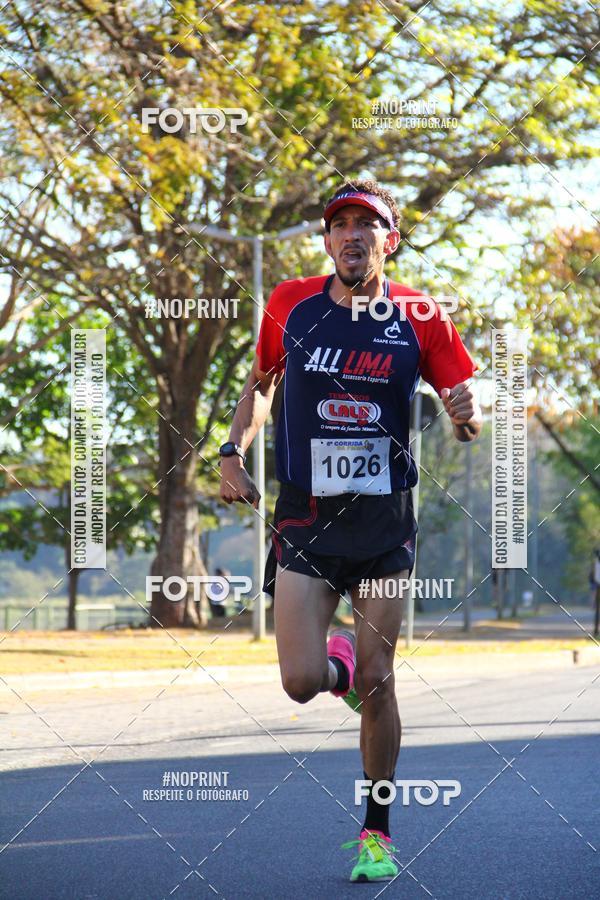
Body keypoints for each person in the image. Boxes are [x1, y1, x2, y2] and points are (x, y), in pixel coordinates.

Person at [219, 179, 482, 882]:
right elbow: (262, 384)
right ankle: (337, 667)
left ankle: (377, 834)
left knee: (380, 680)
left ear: (389, 240)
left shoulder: (421, 316)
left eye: (368, 224)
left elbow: (465, 415)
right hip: (305, 518)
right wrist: (231, 452)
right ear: (328, 239)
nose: (352, 234)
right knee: (301, 682)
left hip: (382, 525)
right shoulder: (290, 304)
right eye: (340, 224)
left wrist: (466, 413)